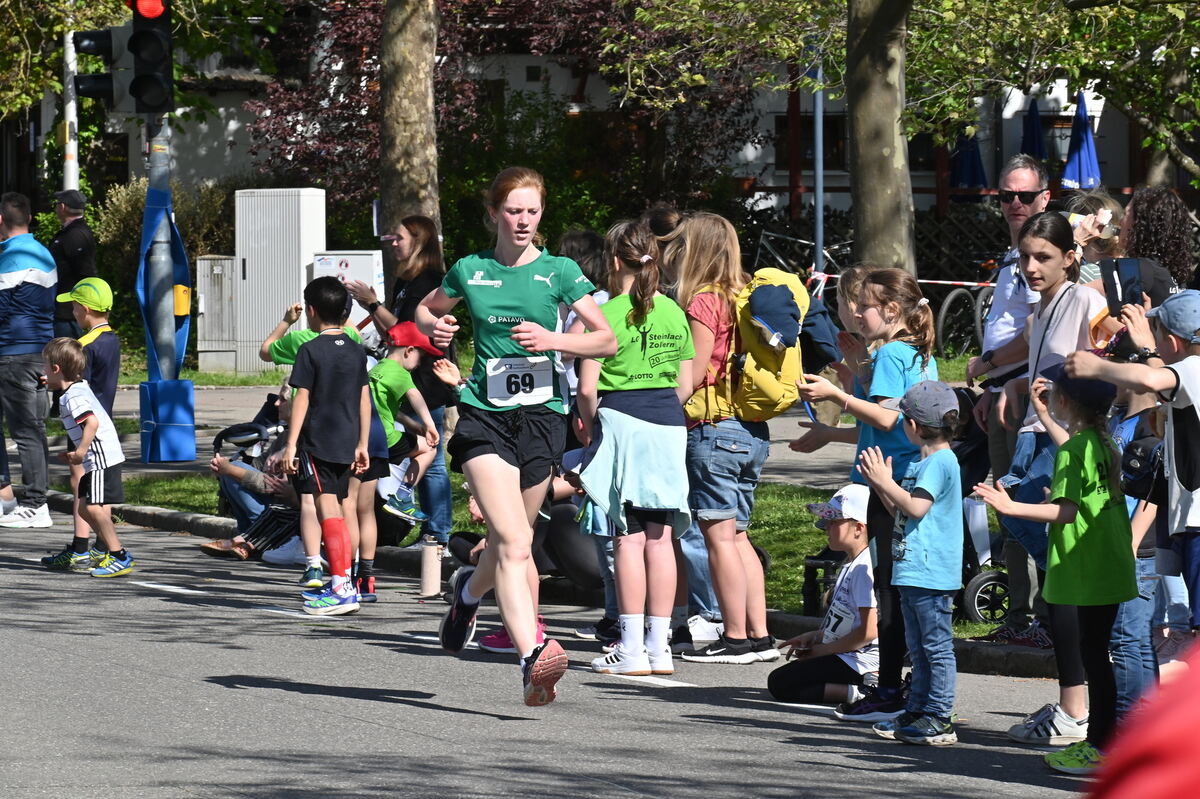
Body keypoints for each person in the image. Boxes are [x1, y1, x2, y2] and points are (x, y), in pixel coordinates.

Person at [416, 166, 615, 706]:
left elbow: (606, 341)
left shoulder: (560, 271)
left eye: (532, 211)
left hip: (542, 417)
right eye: (513, 210)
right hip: (484, 413)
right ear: (494, 214)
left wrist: (553, 338)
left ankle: (466, 591)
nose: (523, 221)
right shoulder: (470, 269)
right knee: (516, 542)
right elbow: (426, 309)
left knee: (510, 543)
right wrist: (436, 330)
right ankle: (532, 655)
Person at [976, 363, 1137, 775]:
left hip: (1085, 567)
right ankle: (1105, 740)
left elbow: (1065, 512)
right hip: (1109, 564)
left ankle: (1099, 744)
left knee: (1094, 658)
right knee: (1100, 656)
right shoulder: (1102, 441)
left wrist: (1011, 507)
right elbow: (1074, 455)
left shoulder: (1074, 450)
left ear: (1066, 400)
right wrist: (1046, 417)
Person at [793, 267, 938, 720]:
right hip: (900, 479)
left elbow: (889, 419)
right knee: (899, 587)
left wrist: (837, 392)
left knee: (891, 590)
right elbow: (888, 420)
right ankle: (903, 685)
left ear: (891, 310)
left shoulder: (895, 353)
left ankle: (890, 689)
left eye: (864, 306)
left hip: (888, 482)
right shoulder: (913, 351)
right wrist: (852, 379)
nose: (856, 312)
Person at [575, 219, 694, 676]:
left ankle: (629, 647)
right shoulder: (674, 311)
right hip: (668, 420)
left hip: (622, 418)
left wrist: (589, 425)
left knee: (626, 537)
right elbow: (686, 382)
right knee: (660, 537)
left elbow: (587, 389)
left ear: (614, 260)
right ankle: (659, 647)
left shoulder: (604, 313)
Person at [1065, 291, 1200, 665]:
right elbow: (1160, 375)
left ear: (1172, 342)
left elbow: (1150, 376)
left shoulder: (1194, 369)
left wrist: (1097, 368)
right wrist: (1145, 347)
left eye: (1157, 335)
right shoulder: (1188, 377)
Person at [667, 213, 774, 666]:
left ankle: (734, 638)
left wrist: (658, 408)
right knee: (741, 536)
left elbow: (693, 374)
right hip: (751, 429)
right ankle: (760, 634)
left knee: (719, 537)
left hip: (714, 429)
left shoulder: (704, 301)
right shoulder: (743, 296)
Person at [964, 154, 1048, 644]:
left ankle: (1034, 619)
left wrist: (993, 366)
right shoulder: (1012, 255)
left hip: (1028, 397)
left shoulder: (1040, 255)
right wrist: (989, 386)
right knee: (1006, 504)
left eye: (1025, 195)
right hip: (1002, 394)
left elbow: (1039, 327)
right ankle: (1019, 617)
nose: (1015, 204)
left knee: (1023, 503)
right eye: (1006, 196)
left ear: (1044, 197)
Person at [857, 380, 963, 746]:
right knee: (917, 648)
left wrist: (886, 482)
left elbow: (916, 506)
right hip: (914, 569)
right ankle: (918, 710)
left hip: (931, 573)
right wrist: (881, 485)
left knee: (935, 647)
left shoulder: (939, 462)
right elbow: (904, 511)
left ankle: (939, 715)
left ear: (914, 426)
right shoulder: (923, 463)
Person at [347, 215, 455, 547]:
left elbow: (409, 332)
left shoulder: (431, 281)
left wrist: (373, 303)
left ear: (420, 241)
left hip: (427, 378)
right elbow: (393, 334)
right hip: (401, 376)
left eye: (401, 238)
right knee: (419, 452)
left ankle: (437, 532)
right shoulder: (406, 280)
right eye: (392, 238)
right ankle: (424, 523)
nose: (394, 243)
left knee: (432, 459)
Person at [259, 301, 365, 588]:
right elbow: (363, 391)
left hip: (315, 431)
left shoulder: (303, 342)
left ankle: (316, 565)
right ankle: (351, 571)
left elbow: (267, 351)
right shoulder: (354, 344)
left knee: (313, 502)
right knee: (348, 506)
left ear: (311, 310)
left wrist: (286, 321)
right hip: (349, 430)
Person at [281, 276, 370, 616]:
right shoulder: (355, 349)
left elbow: (301, 397)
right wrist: (362, 442)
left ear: (312, 311)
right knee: (337, 509)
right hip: (348, 440)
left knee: (327, 510)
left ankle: (340, 588)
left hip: (317, 440)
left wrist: (290, 445)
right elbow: (365, 398)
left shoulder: (310, 349)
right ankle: (345, 584)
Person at [769, 483, 878, 705]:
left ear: (859, 527)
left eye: (834, 521)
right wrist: (815, 637)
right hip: (849, 653)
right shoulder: (851, 562)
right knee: (786, 679)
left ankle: (867, 691)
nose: (825, 526)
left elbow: (868, 631)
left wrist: (822, 651)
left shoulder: (864, 568)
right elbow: (847, 621)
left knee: (782, 683)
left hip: (864, 660)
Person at [39, 337, 132, 577]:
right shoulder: (77, 386)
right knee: (83, 509)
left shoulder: (73, 397)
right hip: (95, 458)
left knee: (96, 509)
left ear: (57, 369)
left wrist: (79, 452)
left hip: (100, 457)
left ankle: (119, 555)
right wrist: (49, 381)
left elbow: (92, 422)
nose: (43, 371)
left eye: (46, 367)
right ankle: (104, 549)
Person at [0, 191, 55, 529]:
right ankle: (10, 499)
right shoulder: (44, 253)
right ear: (30, 218)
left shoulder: (10, 258)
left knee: (26, 431)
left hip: (12, 355)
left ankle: (34, 504)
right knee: (31, 428)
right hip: (37, 353)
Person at [57, 277, 121, 557]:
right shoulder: (111, 339)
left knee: (82, 484)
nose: (72, 312)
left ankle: (83, 546)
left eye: (73, 306)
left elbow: (76, 384)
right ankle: (98, 546)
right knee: (98, 489)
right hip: (103, 420)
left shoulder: (83, 345)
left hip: (85, 425)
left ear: (83, 308)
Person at [373, 321, 440, 523]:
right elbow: (415, 396)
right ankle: (401, 498)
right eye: (421, 357)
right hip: (386, 440)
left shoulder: (377, 369)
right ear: (409, 350)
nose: (419, 364)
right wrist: (430, 425)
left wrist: (412, 425)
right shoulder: (400, 373)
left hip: (366, 438)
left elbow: (382, 407)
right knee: (429, 449)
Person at [1118, 187, 1195, 290]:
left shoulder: (1136, 268)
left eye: (1125, 214)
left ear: (1140, 223)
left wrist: (1089, 241)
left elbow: (1091, 292)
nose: (1120, 221)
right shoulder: (1176, 270)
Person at [48, 189, 96, 340]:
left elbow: (86, 273)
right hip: (66, 311)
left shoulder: (75, 235)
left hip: (68, 313)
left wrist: (81, 308)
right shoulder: (73, 232)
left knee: (65, 357)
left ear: (62, 207)